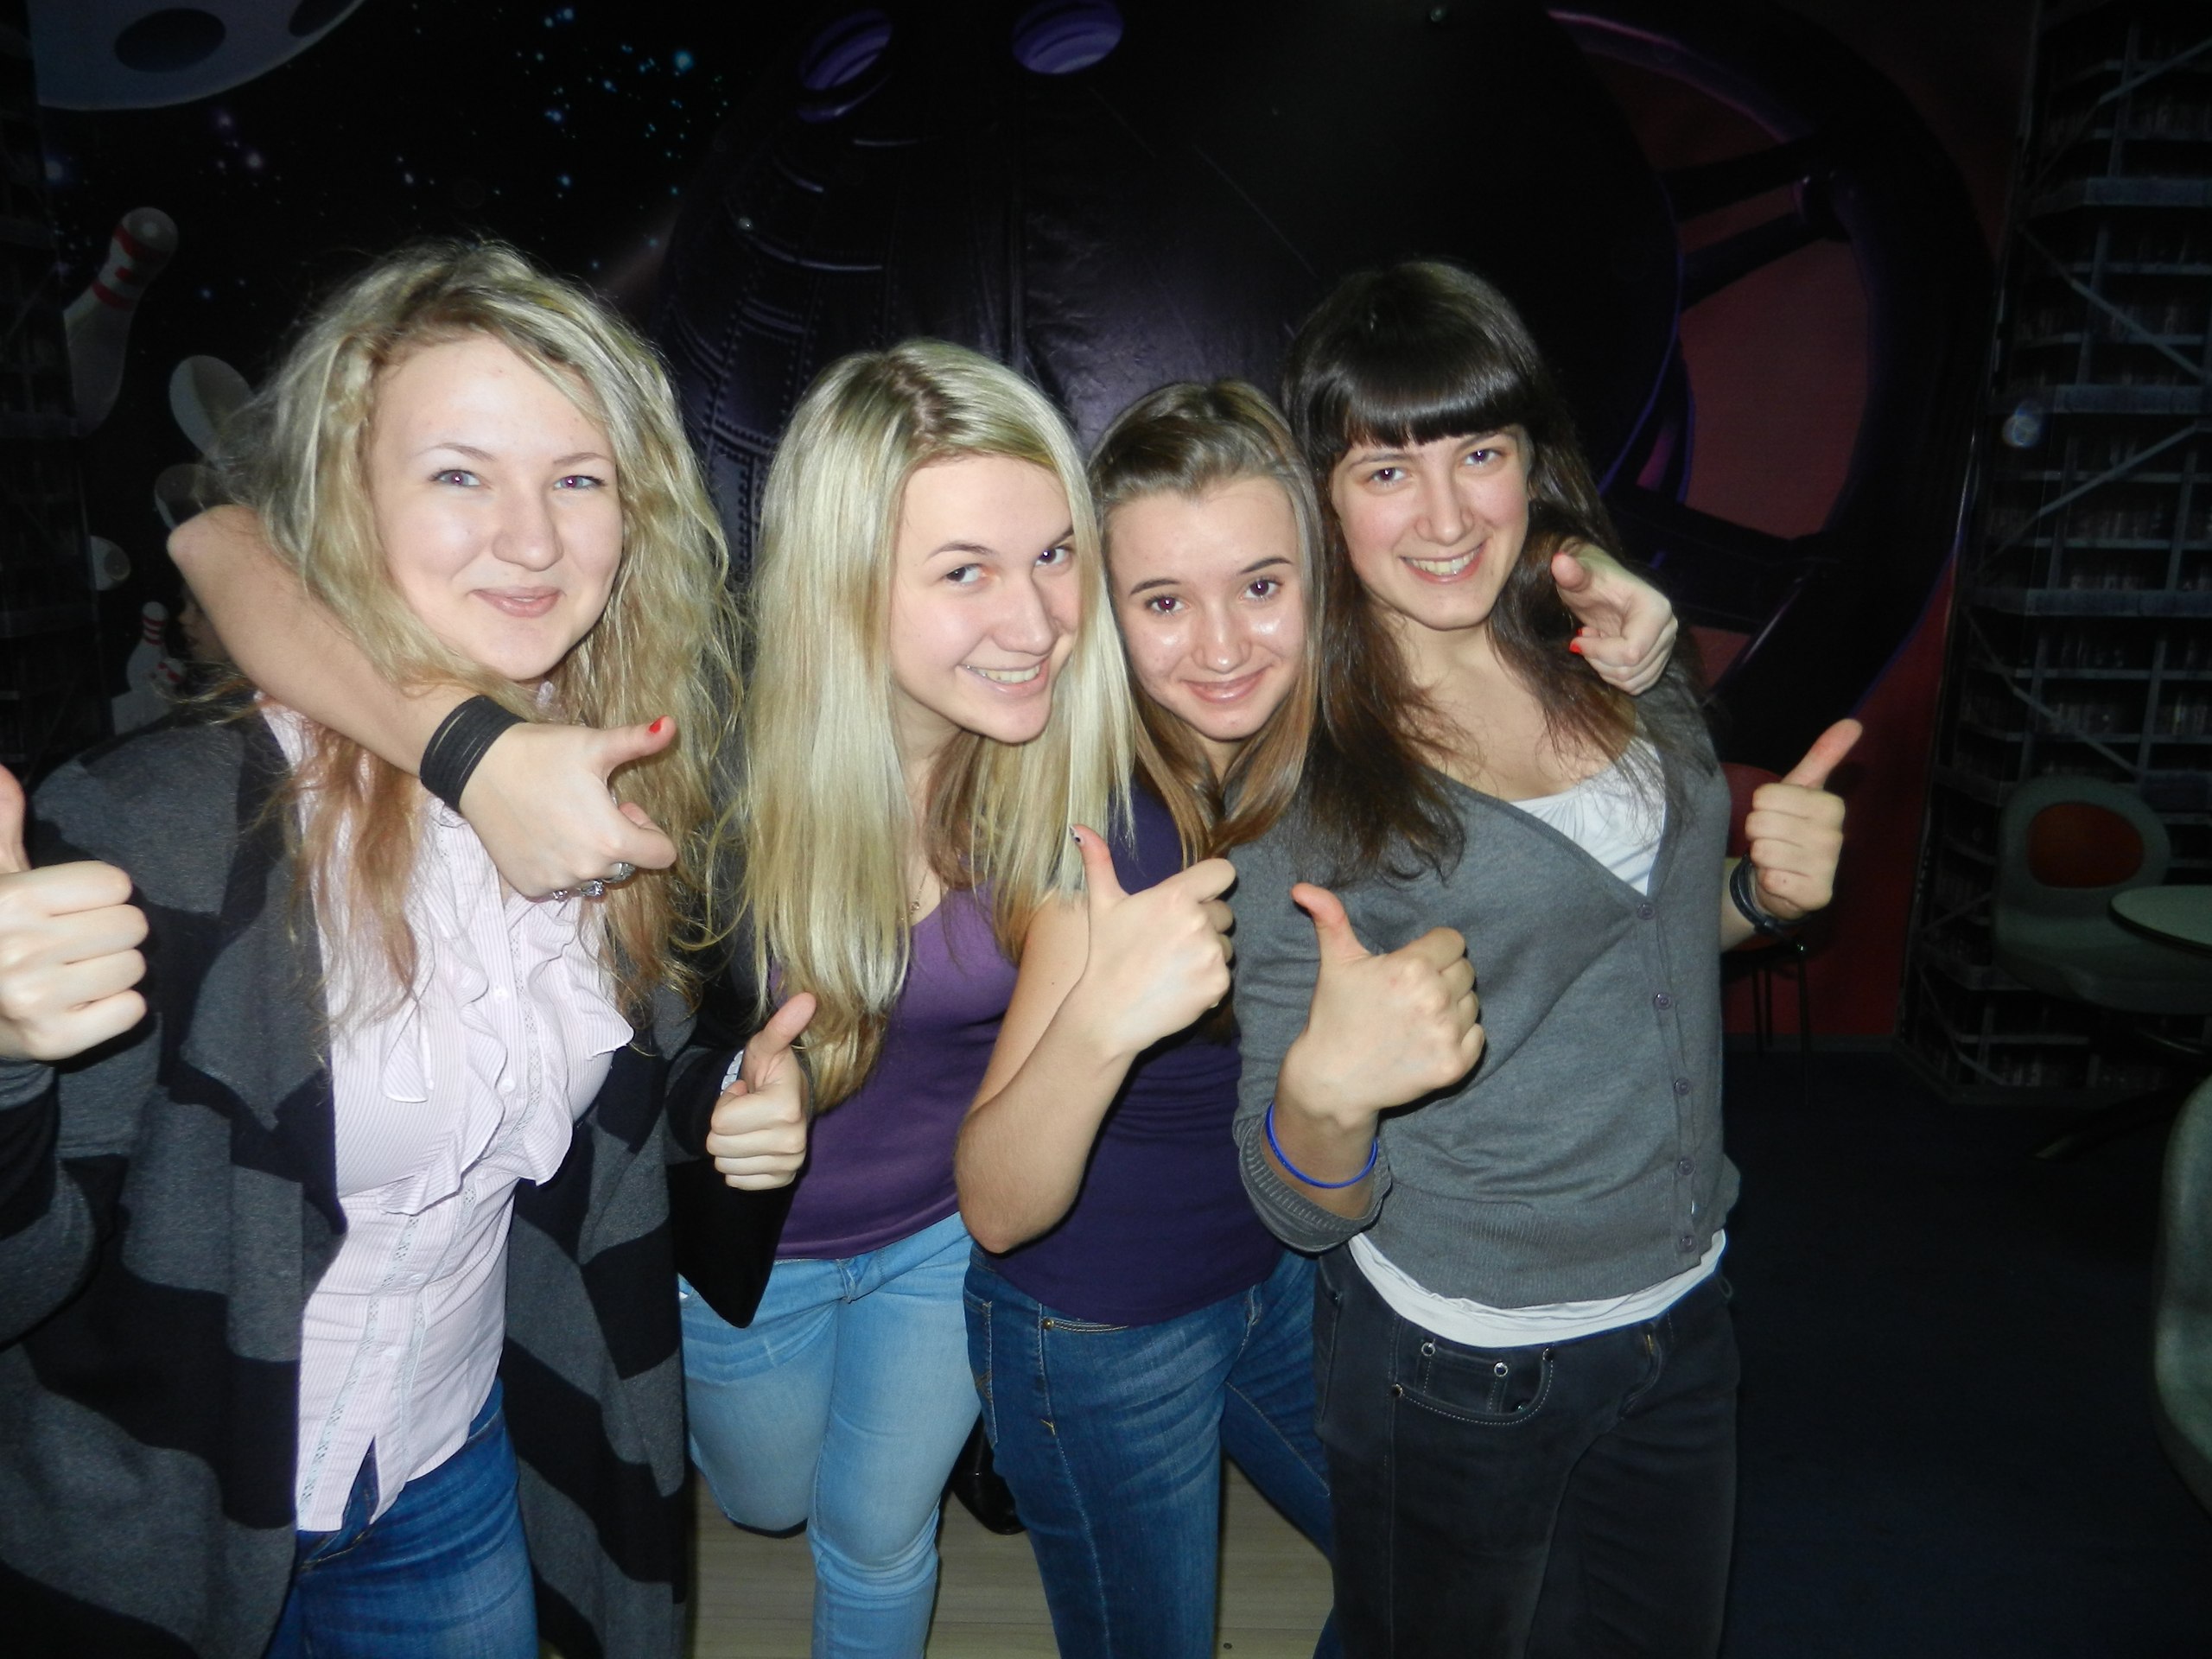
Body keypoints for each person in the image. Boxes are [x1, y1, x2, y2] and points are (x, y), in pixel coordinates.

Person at [0, 242, 806, 1659]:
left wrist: (719, 1102)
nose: (533, 539)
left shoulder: (622, 793)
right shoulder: (157, 833)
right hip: (159, 1522)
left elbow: (619, 1074)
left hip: (446, 1478)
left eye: (579, 478)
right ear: (341, 499)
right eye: (458, 474)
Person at [954, 378, 1683, 1659]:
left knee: (1421, 1587)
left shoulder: (1340, 755)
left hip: (1287, 1281)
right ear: (1108, 617)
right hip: (1101, 1331)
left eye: (1261, 586)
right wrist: (1101, 1020)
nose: (1221, 646)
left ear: (1323, 577)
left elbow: (1467, 565)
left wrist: (1591, 582)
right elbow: (999, 1209)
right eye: (1162, 602)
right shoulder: (1111, 836)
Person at [1228, 260, 1857, 1659]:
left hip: (1681, 1304)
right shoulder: (1306, 774)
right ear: (1323, 498)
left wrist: (1762, 897)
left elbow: (1645, 939)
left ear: (1534, 460)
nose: (1448, 516)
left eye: (1479, 452)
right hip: (1463, 1355)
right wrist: (1331, 1093)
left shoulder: (1613, 652)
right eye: (1386, 470)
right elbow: (1288, 1199)